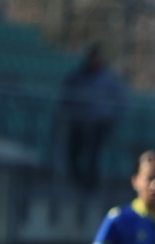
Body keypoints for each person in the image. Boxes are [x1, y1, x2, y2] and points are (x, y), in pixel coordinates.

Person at [60, 43, 127, 191]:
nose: (94, 61)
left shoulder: (108, 78)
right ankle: (75, 180)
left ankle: (91, 184)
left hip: (99, 123)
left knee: (94, 155)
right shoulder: (77, 76)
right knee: (74, 152)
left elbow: (121, 100)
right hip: (79, 122)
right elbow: (66, 96)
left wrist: (112, 118)